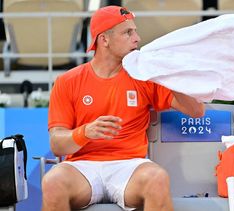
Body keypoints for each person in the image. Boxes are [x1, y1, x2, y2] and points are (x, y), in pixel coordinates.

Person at [42, 5, 205, 211]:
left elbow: (197, 111)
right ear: (104, 40)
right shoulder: (67, 81)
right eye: (128, 32)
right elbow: (57, 144)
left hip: (129, 166)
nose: (137, 38)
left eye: (135, 31)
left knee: (157, 179)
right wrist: (86, 132)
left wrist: (170, 75)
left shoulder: (145, 75)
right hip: (82, 167)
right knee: (52, 182)